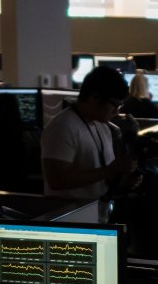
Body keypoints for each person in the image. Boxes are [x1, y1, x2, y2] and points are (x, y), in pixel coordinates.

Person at [40, 65, 133, 199]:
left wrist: (123, 182)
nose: (116, 112)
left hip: (97, 215)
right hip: (72, 216)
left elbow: (100, 179)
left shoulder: (103, 126)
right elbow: (56, 180)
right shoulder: (62, 127)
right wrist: (109, 171)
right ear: (94, 97)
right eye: (114, 104)